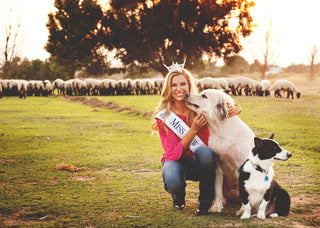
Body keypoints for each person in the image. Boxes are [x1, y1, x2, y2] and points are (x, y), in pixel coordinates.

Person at [151, 63, 239, 215]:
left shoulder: (199, 107)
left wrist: (235, 108)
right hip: (177, 161)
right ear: (168, 89)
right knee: (172, 179)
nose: (179, 89)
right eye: (174, 85)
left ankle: (205, 202)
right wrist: (193, 130)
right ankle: (178, 196)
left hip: (201, 162)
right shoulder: (164, 116)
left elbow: (219, 115)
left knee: (205, 152)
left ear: (189, 85)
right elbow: (172, 154)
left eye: (183, 84)